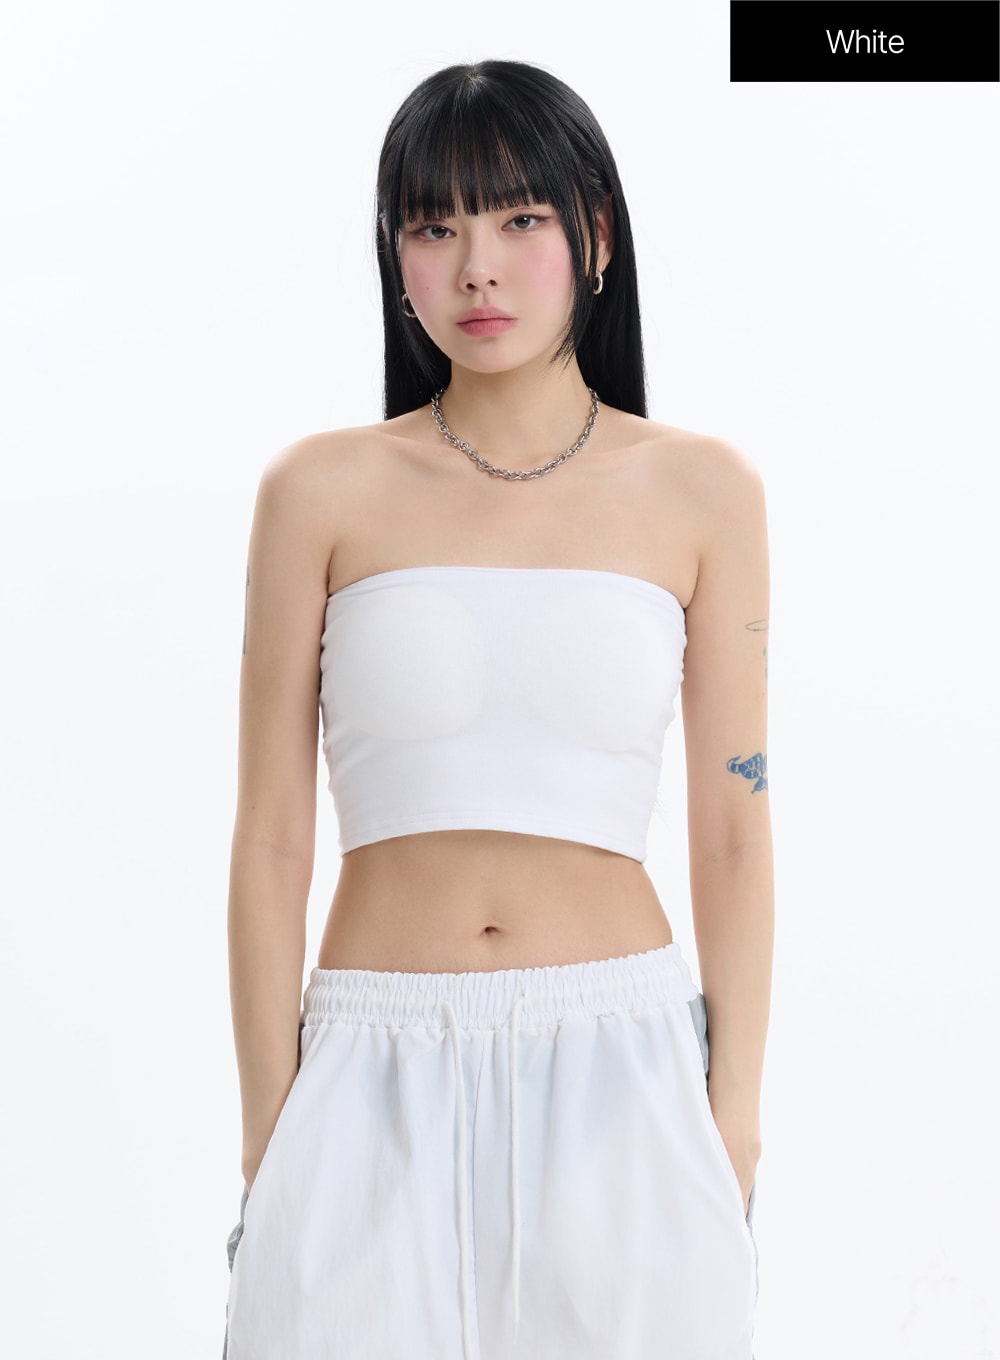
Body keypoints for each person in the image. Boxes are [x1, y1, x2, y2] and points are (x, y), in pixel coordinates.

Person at [222, 58, 773, 1360]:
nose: (477, 267)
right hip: (367, 1067)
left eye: (520, 218)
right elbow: (270, 839)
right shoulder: (319, 492)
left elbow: (735, 829)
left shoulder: (704, 492)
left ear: (596, 235)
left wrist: (733, 1122)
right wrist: (271, 1128)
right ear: (395, 256)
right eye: (434, 227)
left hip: (623, 1072)